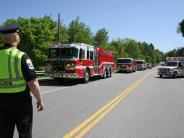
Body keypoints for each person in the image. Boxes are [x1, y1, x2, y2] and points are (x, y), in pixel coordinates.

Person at [0, 23, 44, 138]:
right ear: (15, 36)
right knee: (24, 134)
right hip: (21, 103)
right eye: (18, 34)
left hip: (1, 102)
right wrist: (40, 99)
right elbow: (33, 83)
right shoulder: (21, 56)